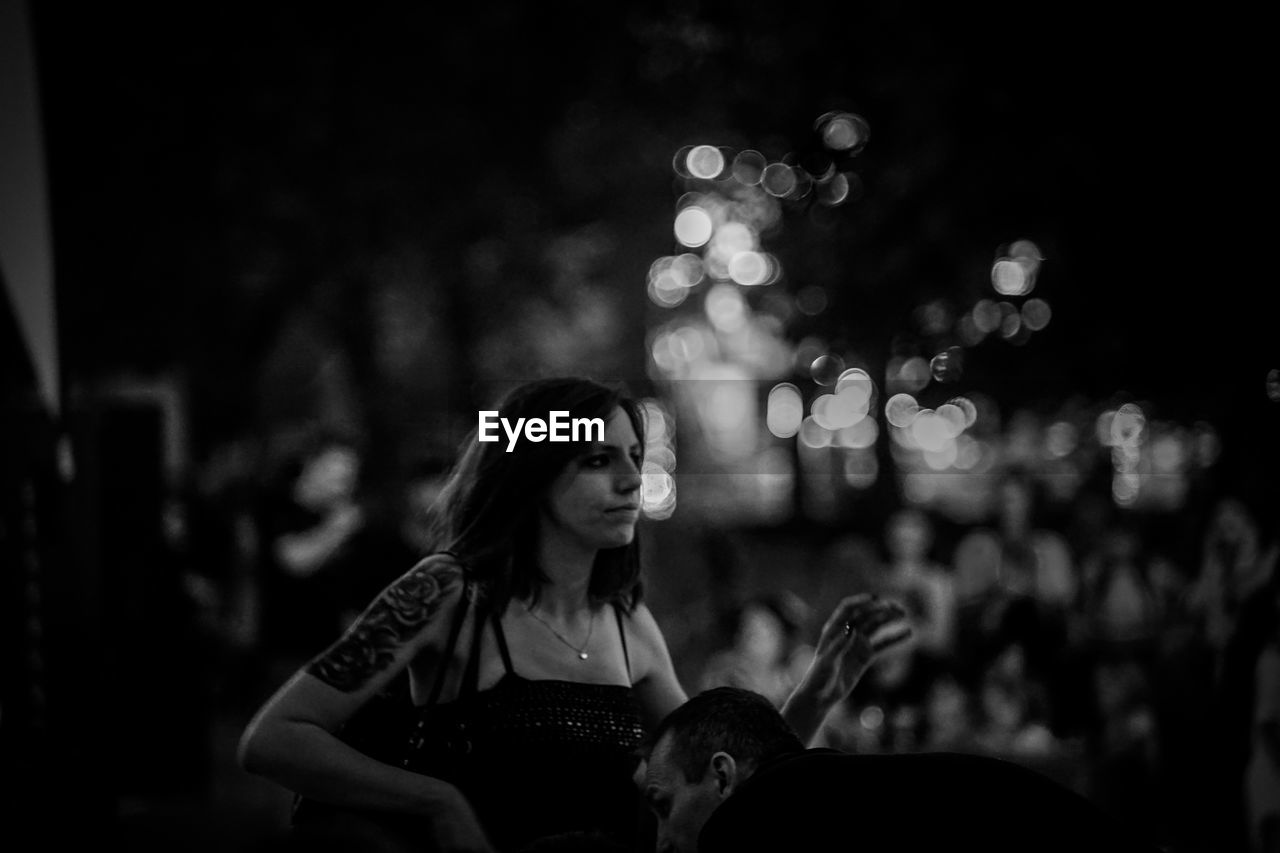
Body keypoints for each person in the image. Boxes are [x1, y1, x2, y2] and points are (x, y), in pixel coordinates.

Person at [238, 377, 911, 853]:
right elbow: (274, 737)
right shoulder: (446, 592)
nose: (630, 480)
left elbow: (720, 782)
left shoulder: (629, 623)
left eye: (634, 458)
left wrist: (822, 685)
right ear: (530, 475)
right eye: (597, 460)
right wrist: (436, 801)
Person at [636, 686, 1162, 853]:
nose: (660, 842)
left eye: (665, 808)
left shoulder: (754, 816)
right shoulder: (826, 787)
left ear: (723, 777)